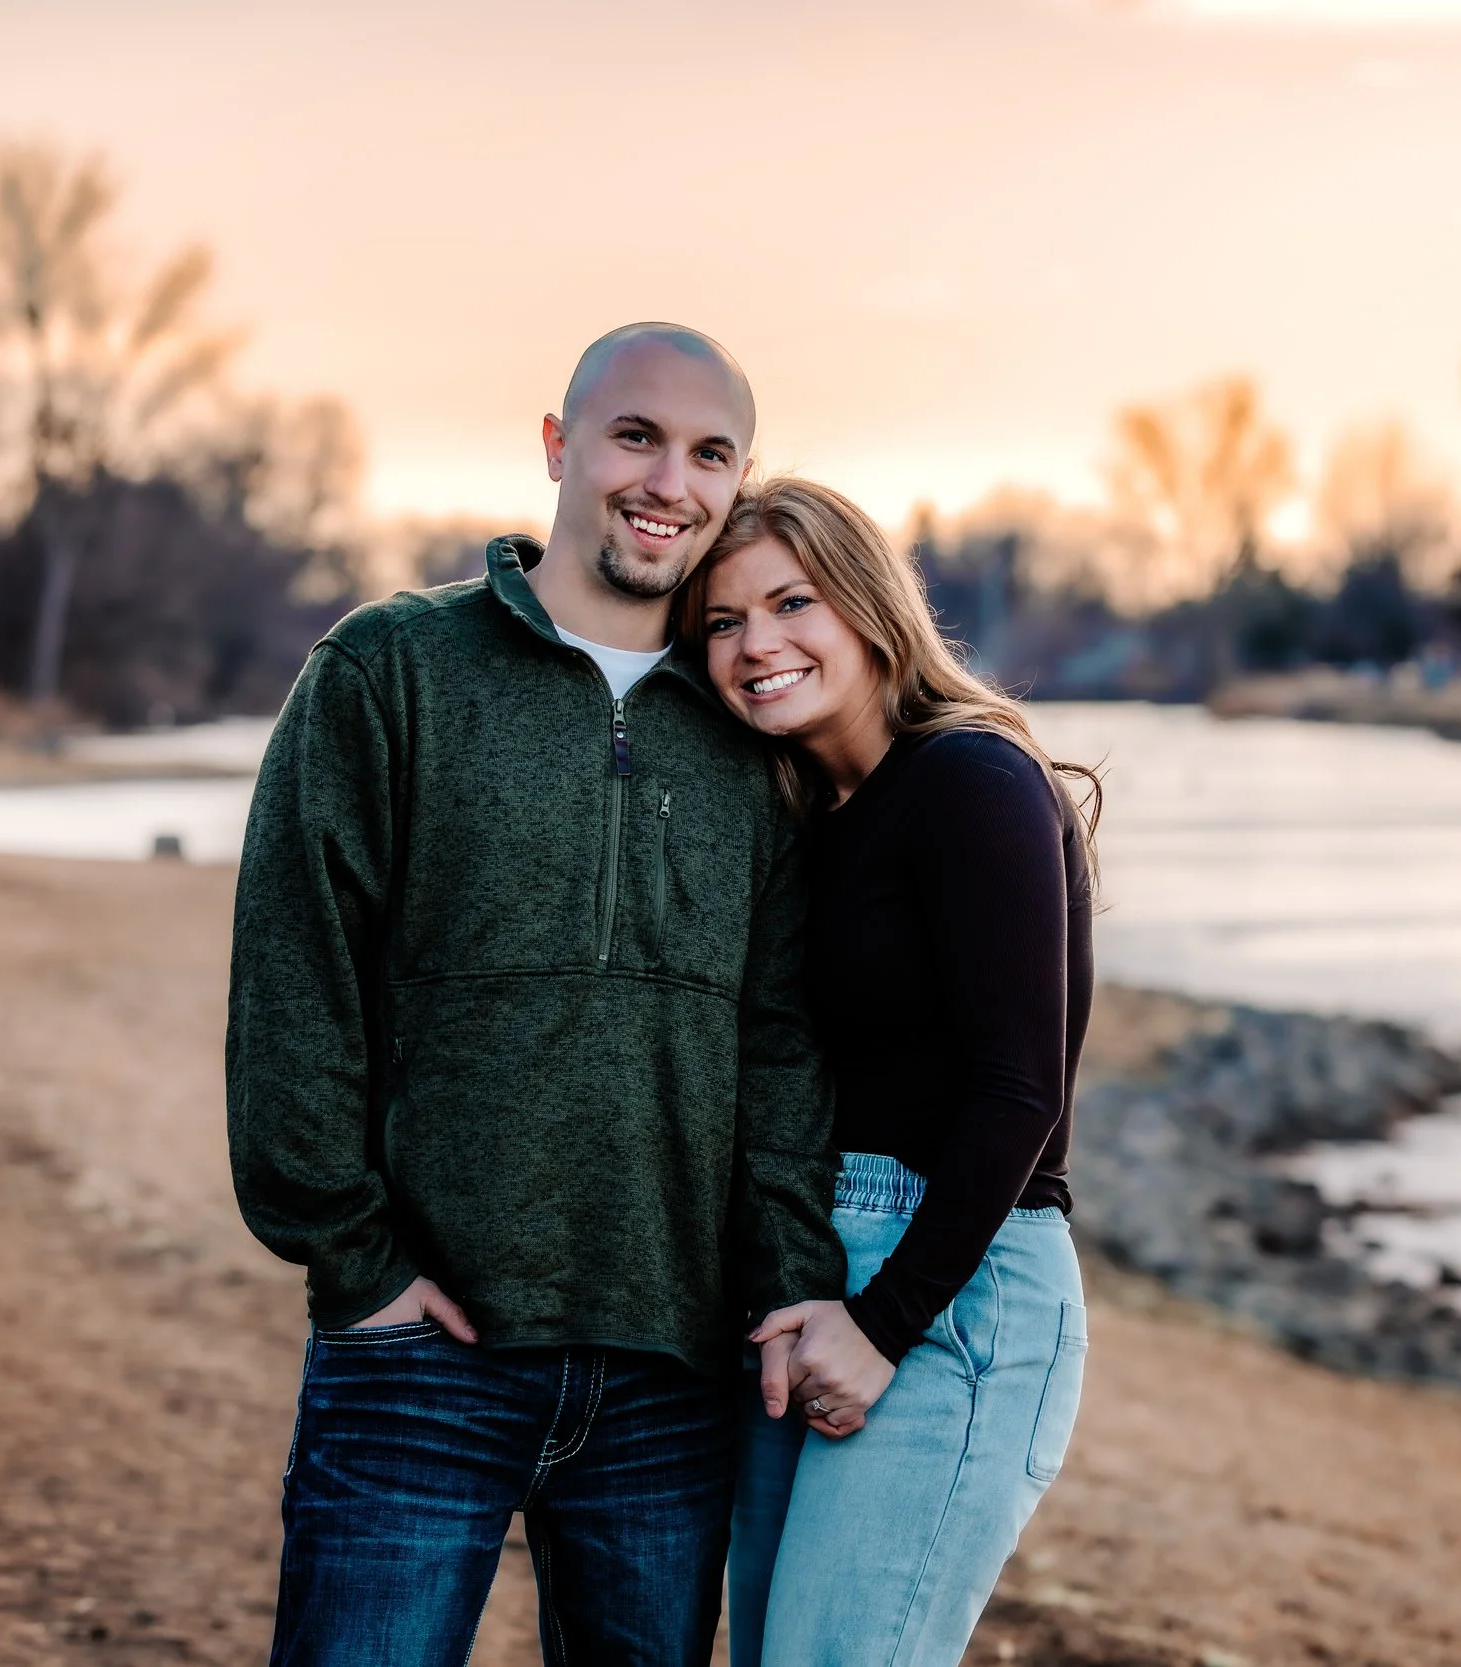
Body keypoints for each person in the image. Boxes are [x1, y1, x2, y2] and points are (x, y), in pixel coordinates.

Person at [225, 324, 848, 1666]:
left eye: (709, 452)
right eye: (636, 435)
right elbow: (295, 970)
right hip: (421, 1352)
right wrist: (353, 1254)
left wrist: (788, 1280)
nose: (667, 478)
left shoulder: (756, 727)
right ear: (560, 446)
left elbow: (784, 1041)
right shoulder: (390, 670)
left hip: (672, 1374)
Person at [684, 478, 1099, 1666]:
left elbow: (1020, 1090)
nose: (757, 643)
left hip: (952, 1289)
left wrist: (884, 1320)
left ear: (868, 605)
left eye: (790, 601)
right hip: (824, 1280)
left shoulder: (971, 777)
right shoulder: (816, 816)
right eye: (722, 622)